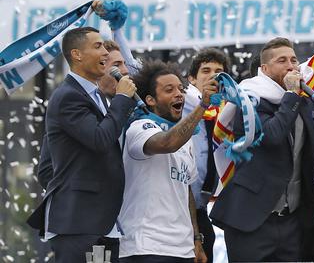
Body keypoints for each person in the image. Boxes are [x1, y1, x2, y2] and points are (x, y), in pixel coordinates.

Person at [27, 23, 138, 263]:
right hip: (78, 222)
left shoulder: (96, 97)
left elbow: (48, 166)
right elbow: (99, 140)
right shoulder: (68, 96)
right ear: (76, 55)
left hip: (100, 221)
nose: (106, 54)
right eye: (98, 46)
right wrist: (121, 99)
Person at [211, 37, 314, 262]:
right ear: (265, 69)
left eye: (294, 60)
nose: (291, 65)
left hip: (291, 220)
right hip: (252, 219)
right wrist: (290, 95)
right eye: (282, 61)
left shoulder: (303, 102)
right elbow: (271, 135)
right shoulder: (250, 99)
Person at [120, 60, 219, 263]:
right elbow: (167, 143)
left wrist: (196, 239)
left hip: (182, 249)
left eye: (181, 89)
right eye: (169, 90)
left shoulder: (185, 138)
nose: (179, 94)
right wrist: (203, 106)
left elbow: (187, 191)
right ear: (150, 100)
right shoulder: (139, 127)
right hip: (146, 246)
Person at [183, 47, 229, 263]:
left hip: (201, 208)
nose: (213, 75)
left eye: (219, 71)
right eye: (206, 70)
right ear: (191, 79)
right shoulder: (182, 103)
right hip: (176, 208)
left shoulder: (229, 111)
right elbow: (141, 74)